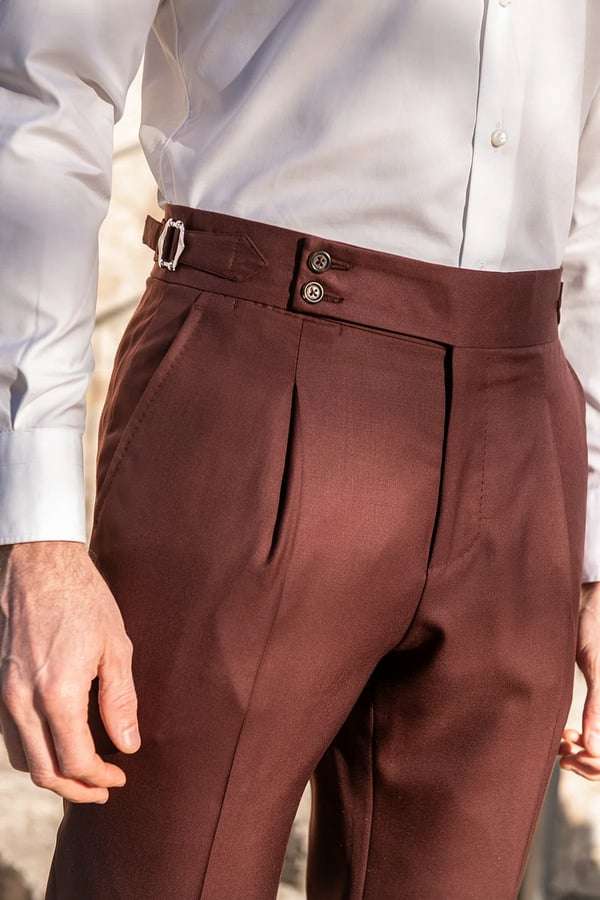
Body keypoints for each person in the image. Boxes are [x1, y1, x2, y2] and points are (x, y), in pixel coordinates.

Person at [0, 1, 599, 898]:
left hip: (525, 416)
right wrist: (35, 533)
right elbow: (42, 86)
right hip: (258, 380)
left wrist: (595, 548)